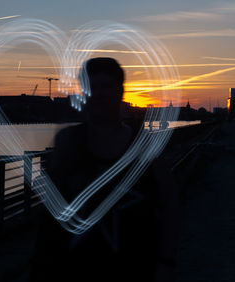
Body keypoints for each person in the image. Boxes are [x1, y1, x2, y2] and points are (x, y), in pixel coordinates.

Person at [30, 57, 181, 282]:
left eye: (106, 86)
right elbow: (49, 212)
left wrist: (166, 262)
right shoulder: (68, 142)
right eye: (92, 87)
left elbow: (170, 205)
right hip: (76, 268)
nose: (99, 94)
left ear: (120, 92)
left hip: (136, 268)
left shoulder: (145, 146)